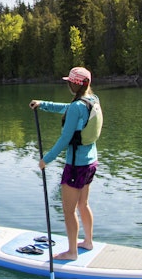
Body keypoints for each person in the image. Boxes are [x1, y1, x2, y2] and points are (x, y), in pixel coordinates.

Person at [29, 66, 99, 261]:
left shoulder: (77, 106)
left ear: (74, 84)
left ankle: (71, 252)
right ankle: (88, 242)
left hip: (76, 165)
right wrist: (42, 104)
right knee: (83, 204)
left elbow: (65, 139)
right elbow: (66, 109)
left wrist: (46, 160)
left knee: (69, 211)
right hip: (91, 162)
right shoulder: (91, 101)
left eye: (69, 81)